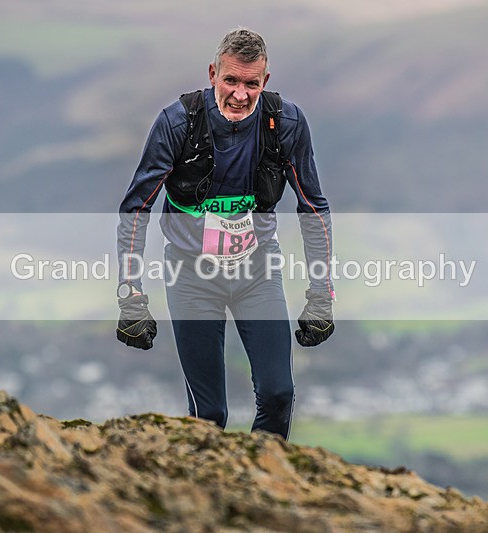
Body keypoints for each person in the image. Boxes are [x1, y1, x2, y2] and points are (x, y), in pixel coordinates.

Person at [115, 28, 334, 440]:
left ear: (265, 81)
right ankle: (208, 495)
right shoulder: (178, 122)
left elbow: (313, 206)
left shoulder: (285, 123)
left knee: (278, 393)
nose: (240, 94)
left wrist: (321, 294)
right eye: (230, 80)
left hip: (257, 272)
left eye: (251, 83)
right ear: (213, 73)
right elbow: (136, 208)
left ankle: (263, 480)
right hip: (190, 276)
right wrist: (131, 295)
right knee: (210, 413)